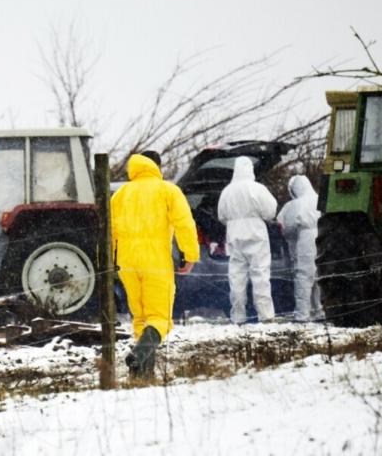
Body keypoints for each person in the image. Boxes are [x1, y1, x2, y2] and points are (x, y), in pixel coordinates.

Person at [111, 151, 199, 379]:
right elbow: (185, 224)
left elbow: (109, 231)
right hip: (155, 260)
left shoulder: (120, 194)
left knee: (140, 318)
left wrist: (111, 261)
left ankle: (142, 374)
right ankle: (139, 354)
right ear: (156, 166)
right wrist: (189, 255)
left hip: (127, 262)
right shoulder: (168, 190)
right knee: (160, 318)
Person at [217, 156, 278, 324]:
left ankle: (238, 317)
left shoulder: (227, 191)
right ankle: (266, 316)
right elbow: (270, 211)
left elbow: (221, 215)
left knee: (236, 278)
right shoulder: (257, 188)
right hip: (256, 234)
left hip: (234, 235)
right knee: (260, 275)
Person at [277, 175, 325, 322]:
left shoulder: (295, 205)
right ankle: (318, 310)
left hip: (305, 239)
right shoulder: (321, 199)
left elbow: (287, 228)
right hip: (323, 237)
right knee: (318, 277)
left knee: (303, 276)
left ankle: (302, 314)